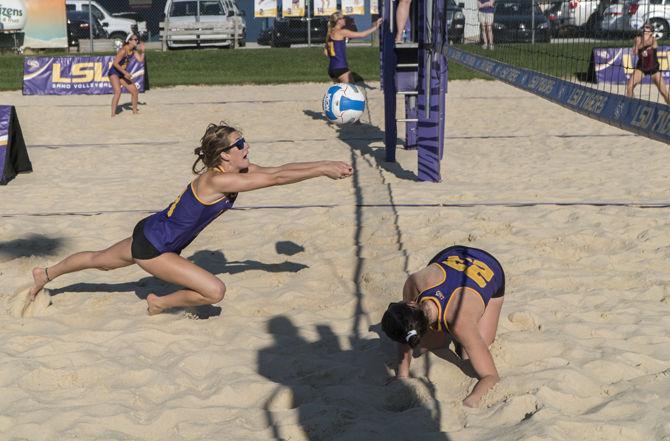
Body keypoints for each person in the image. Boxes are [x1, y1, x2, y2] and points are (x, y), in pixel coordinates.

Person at [24, 123, 353, 316]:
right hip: (156, 247)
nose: (246, 146)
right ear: (225, 154)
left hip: (153, 229)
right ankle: (158, 303)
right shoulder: (219, 180)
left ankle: (46, 273)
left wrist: (323, 165)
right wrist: (323, 169)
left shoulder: (234, 169)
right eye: (240, 144)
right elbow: (278, 180)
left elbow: (278, 171)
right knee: (215, 291)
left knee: (101, 261)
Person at [381, 245, 505, 407]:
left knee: (468, 355)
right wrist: (402, 374)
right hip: (449, 262)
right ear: (411, 304)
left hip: (489, 266)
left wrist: (472, 399)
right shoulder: (414, 285)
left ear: (412, 303)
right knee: (432, 347)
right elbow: (406, 327)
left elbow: (491, 376)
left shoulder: (461, 321)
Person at [324, 12, 382, 83]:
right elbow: (362, 35)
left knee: (340, 92)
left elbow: (326, 53)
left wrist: (336, 57)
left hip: (331, 69)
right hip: (341, 68)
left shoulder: (330, 33)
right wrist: (376, 27)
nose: (345, 19)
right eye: (343, 18)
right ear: (338, 21)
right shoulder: (342, 32)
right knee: (351, 91)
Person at [626, 24, 670, 105]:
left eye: (648, 27)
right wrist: (635, 48)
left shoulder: (653, 40)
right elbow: (635, 52)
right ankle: (632, 107)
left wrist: (639, 45)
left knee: (664, 93)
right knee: (629, 87)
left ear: (651, 32)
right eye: (645, 27)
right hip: (641, 68)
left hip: (654, 69)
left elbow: (646, 44)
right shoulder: (637, 39)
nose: (645, 28)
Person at [109, 33, 145, 117]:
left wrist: (143, 51)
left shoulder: (133, 51)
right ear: (129, 41)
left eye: (137, 39)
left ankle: (135, 111)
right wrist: (126, 73)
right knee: (118, 92)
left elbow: (140, 60)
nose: (137, 41)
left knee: (135, 91)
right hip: (114, 72)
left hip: (121, 73)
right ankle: (113, 114)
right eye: (135, 39)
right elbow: (115, 64)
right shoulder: (123, 51)